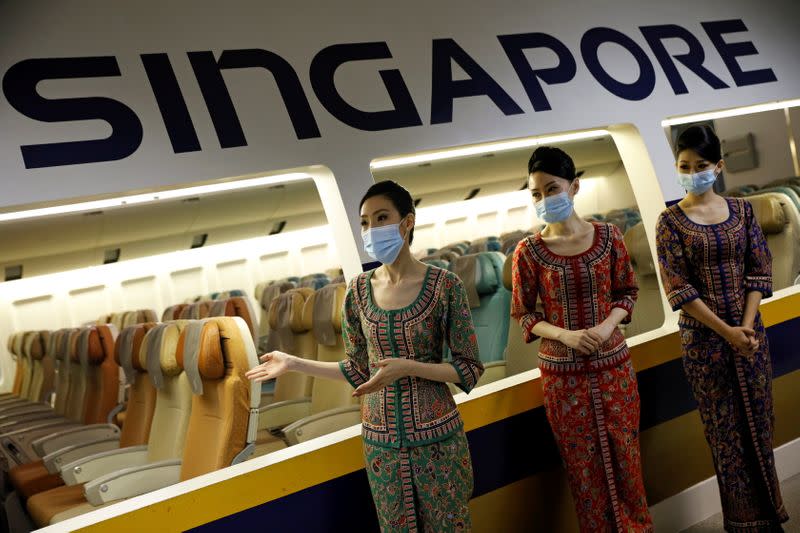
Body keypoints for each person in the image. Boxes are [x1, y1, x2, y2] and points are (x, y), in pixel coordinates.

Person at [246, 180, 484, 532]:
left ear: (407, 222)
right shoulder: (357, 292)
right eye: (365, 222)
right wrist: (294, 363)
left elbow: (469, 368)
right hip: (381, 443)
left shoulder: (445, 286)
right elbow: (358, 369)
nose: (371, 229)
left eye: (381, 217)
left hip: (436, 441)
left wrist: (409, 368)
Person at [511, 146, 652, 532]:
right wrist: (566, 336)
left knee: (627, 459)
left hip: (615, 371)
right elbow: (524, 313)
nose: (543, 200)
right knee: (583, 471)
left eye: (551, 189)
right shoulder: (528, 252)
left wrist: (607, 328)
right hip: (562, 379)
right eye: (535, 194)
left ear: (574, 187)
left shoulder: (609, 237)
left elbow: (627, 292)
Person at [655, 124, 787, 532]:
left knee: (761, 426)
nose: (691, 171)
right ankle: (743, 524)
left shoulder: (745, 211)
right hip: (704, 344)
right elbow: (678, 287)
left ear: (718, 167)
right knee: (725, 436)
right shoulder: (669, 222)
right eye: (684, 165)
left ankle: (772, 517)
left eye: (700, 165)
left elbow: (758, 270)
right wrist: (727, 332)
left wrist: (745, 328)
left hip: (751, 337)